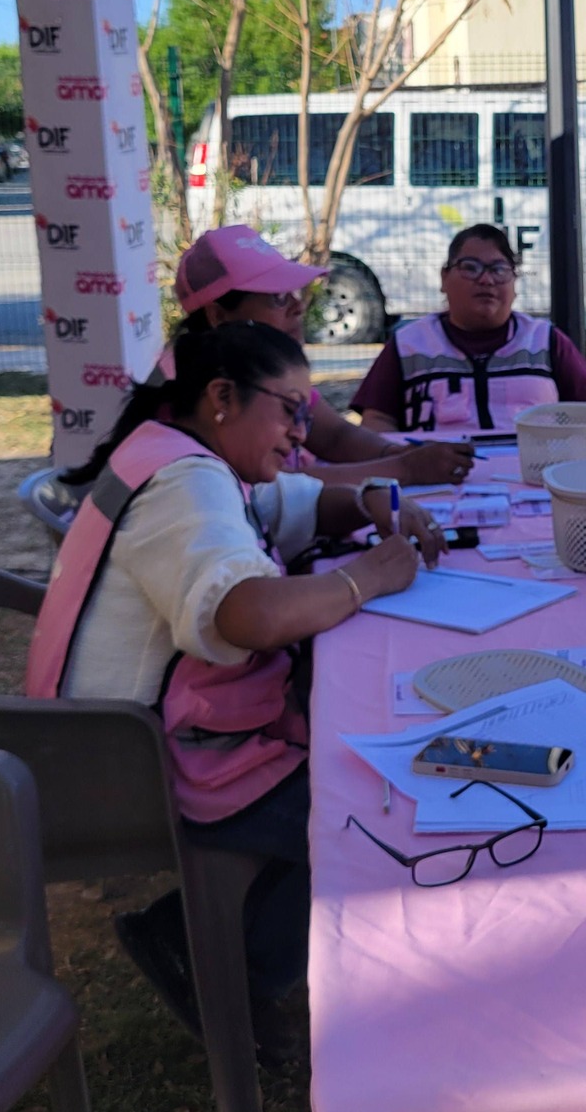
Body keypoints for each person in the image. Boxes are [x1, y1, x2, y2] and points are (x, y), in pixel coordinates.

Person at [26, 320, 445, 1056]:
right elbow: (245, 613)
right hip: (130, 765)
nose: (301, 433)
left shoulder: (185, 457)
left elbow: (296, 504)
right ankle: (225, 960)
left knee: (360, 756)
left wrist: (372, 499)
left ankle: (209, 937)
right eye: (289, 409)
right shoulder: (184, 484)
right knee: (374, 808)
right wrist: (370, 574)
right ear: (222, 397)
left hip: (113, 738)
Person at [172, 224, 476, 484]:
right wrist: (405, 468)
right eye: (278, 298)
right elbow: (277, 485)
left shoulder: (258, 372)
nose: (298, 306)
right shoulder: (208, 394)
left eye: (293, 292)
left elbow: (335, 437)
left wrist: (402, 454)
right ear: (219, 316)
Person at [351, 224, 586, 434]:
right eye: (470, 267)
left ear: (514, 282)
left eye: (499, 269)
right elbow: (377, 422)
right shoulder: (408, 345)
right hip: (434, 484)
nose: (486, 280)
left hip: (535, 479)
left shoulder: (546, 341)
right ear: (443, 278)